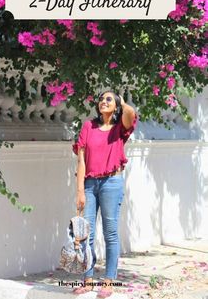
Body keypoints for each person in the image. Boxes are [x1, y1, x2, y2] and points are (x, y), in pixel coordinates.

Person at [72, 90, 137, 298]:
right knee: (85, 234)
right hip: (90, 184)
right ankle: (88, 280)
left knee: (110, 234)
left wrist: (122, 102)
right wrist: (80, 191)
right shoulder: (88, 126)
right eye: (101, 99)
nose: (103, 102)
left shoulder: (120, 129)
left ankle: (109, 281)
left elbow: (131, 115)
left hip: (112, 183)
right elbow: (81, 160)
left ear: (116, 105)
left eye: (109, 99)